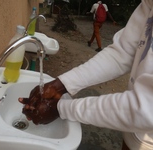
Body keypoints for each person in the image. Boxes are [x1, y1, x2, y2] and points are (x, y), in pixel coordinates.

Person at [19, 0, 153, 149]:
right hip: (133, 133)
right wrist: (59, 85)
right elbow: (123, 53)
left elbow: (147, 108)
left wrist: (60, 108)